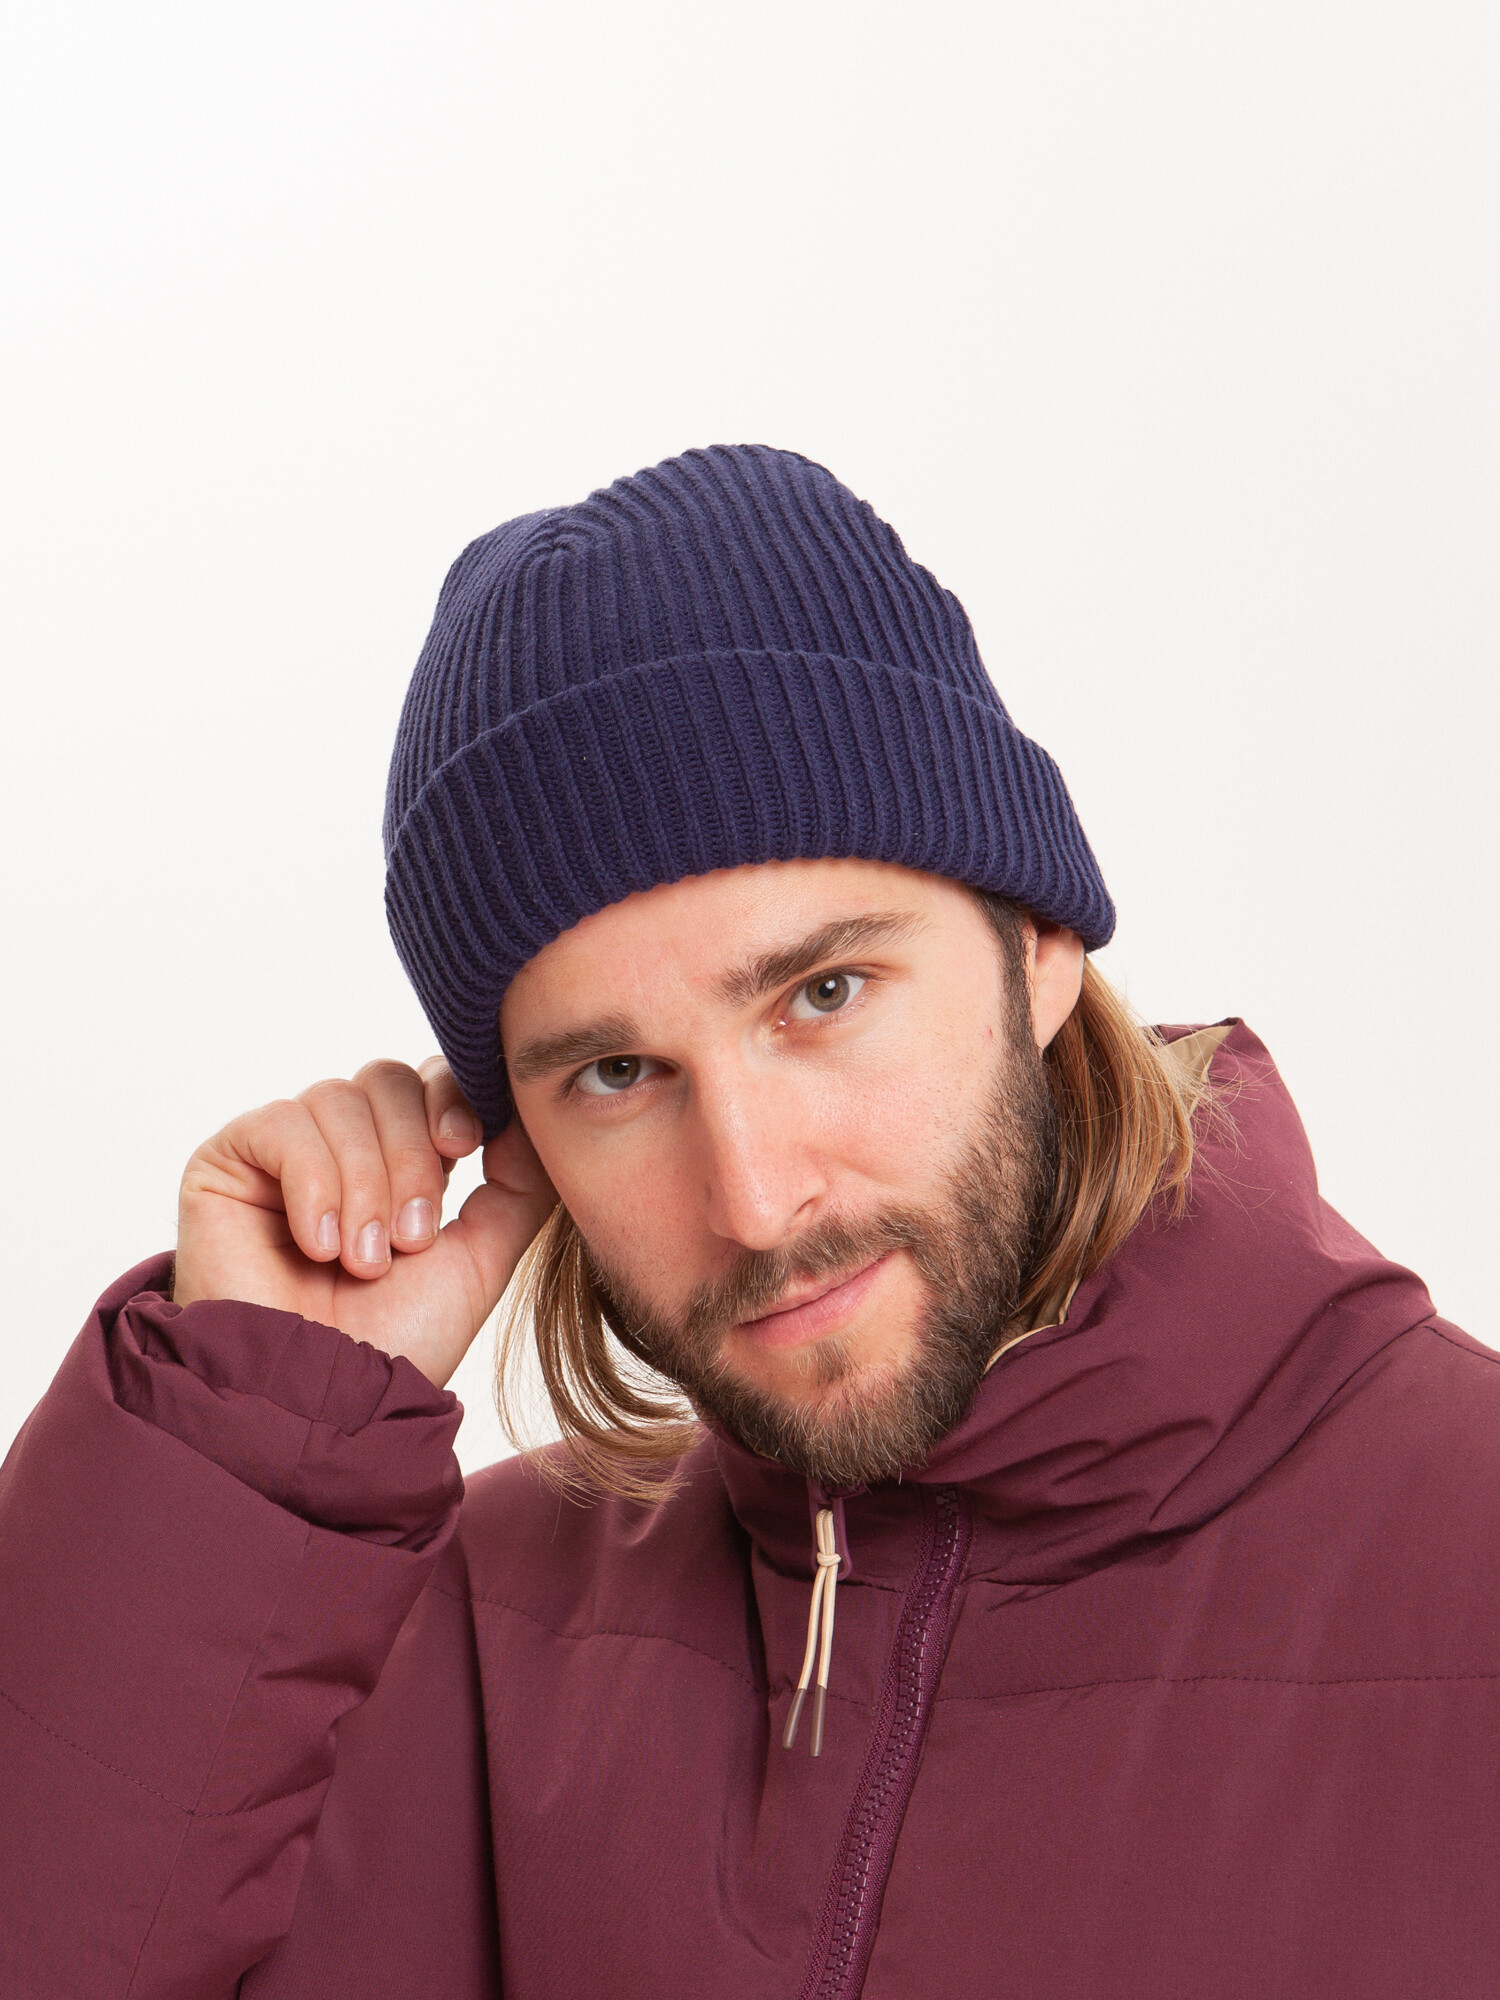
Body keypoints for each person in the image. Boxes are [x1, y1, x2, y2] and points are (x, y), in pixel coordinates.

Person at [2, 446, 1496, 2000]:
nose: (755, 1200)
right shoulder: (437, 1638)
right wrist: (253, 1444)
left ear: (1040, 942)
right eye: (617, 1075)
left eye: (824, 994)